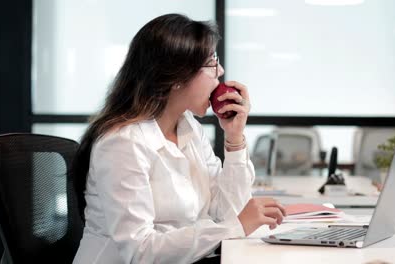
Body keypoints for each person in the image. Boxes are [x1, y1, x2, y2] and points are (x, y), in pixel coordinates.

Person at [72, 13, 286, 264]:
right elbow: (140, 251)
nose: (220, 70)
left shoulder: (188, 128)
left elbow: (230, 211)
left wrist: (235, 139)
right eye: (210, 62)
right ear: (175, 78)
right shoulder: (122, 143)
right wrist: (234, 226)